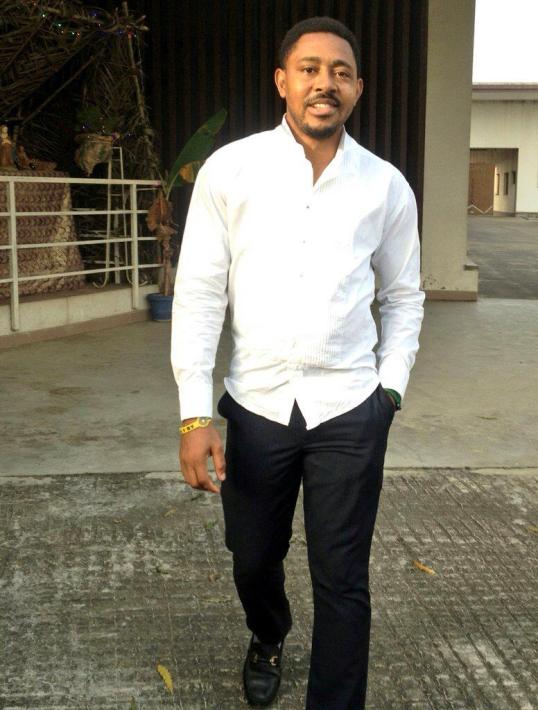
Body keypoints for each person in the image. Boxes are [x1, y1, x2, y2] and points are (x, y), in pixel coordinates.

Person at [171, 16, 424, 709]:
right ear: (282, 81)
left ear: (358, 88)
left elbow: (404, 297)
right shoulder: (232, 171)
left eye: (340, 72)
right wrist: (194, 414)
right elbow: (198, 295)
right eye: (310, 68)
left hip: (350, 410)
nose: (325, 83)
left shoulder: (385, 187)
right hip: (257, 408)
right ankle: (268, 631)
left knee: (343, 578)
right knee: (253, 556)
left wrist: (390, 392)